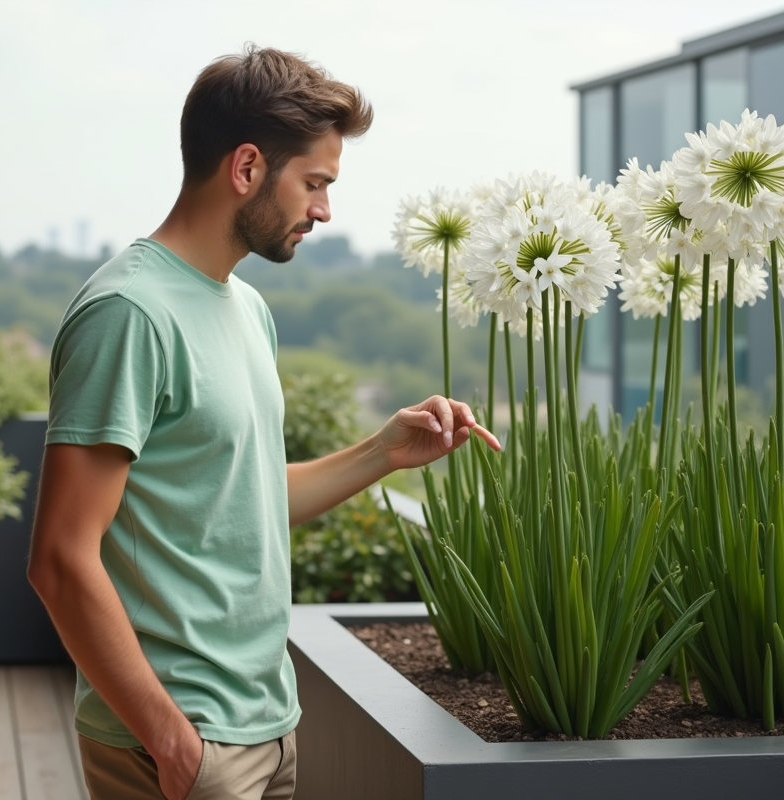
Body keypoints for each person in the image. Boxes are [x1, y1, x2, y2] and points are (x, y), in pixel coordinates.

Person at [27, 45, 500, 800]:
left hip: (268, 727)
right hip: (185, 741)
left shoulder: (246, 309)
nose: (324, 209)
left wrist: (383, 451)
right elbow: (59, 558)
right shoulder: (129, 315)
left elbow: (243, 498)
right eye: (314, 183)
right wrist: (168, 737)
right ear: (247, 167)